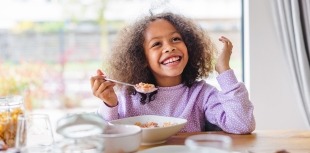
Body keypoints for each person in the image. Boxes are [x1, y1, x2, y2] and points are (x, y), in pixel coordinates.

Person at [90, 12, 255, 134]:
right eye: (156, 44)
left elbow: (242, 125)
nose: (169, 47)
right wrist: (110, 104)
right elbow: (108, 135)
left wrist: (224, 70)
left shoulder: (201, 94)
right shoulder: (125, 95)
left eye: (176, 39)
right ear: (141, 58)